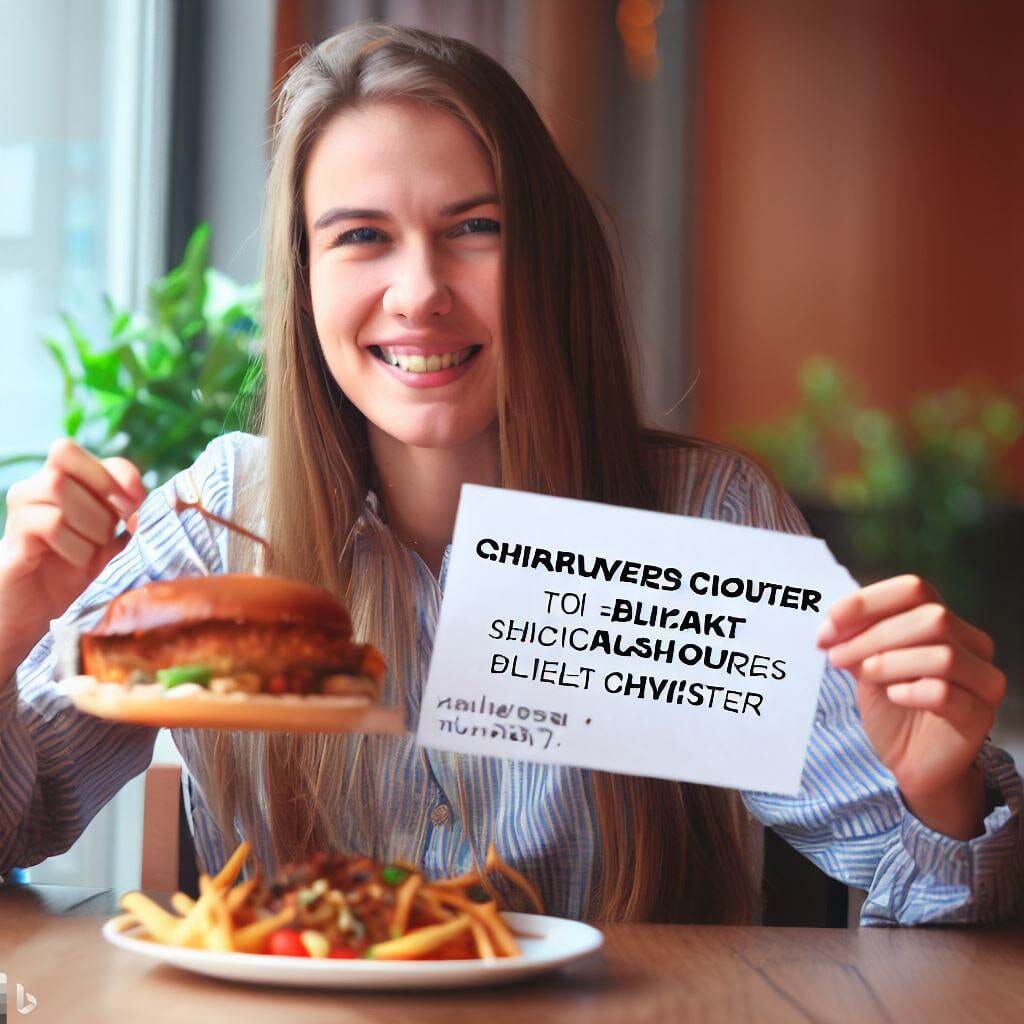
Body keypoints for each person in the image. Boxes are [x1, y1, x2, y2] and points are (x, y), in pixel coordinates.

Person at [0, 23, 1019, 926]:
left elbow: (928, 881)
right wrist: (7, 629)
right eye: (360, 237)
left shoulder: (706, 518)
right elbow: (21, 814)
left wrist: (941, 791)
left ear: (549, 258)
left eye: (474, 228)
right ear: (303, 283)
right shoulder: (219, 519)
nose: (419, 291)